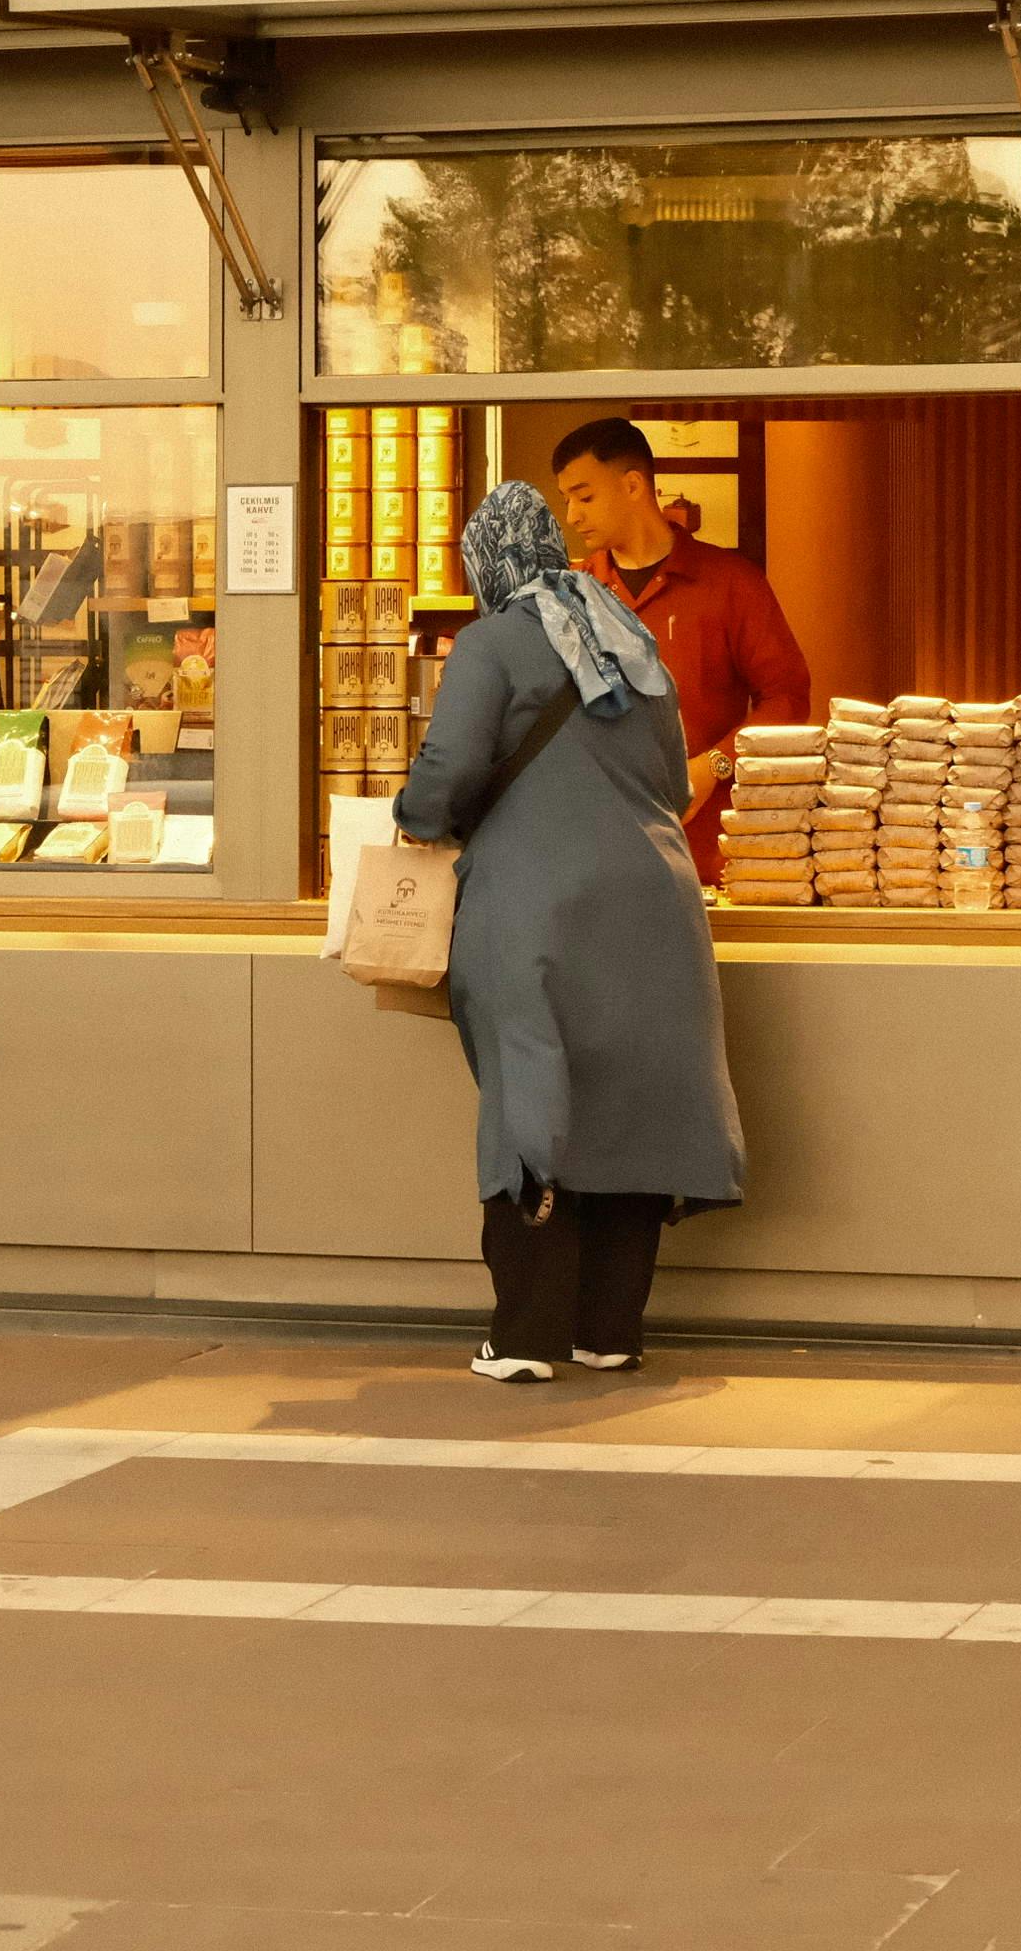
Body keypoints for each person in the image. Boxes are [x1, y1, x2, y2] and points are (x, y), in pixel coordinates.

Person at [394, 483, 747, 1385]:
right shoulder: (632, 639)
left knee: (530, 1104)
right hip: (655, 906)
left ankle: (525, 1337)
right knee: (632, 1108)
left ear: (486, 564)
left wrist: (415, 814)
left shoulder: (495, 641)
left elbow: (448, 770)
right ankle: (608, 1330)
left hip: (535, 905)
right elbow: (674, 781)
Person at [551, 418, 811, 885]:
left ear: (633, 485)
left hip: (709, 858)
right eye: (566, 499)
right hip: (591, 857)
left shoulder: (731, 583)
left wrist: (714, 765)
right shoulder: (570, 594)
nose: (571, 515)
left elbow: (787, 700)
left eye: (584, 496)